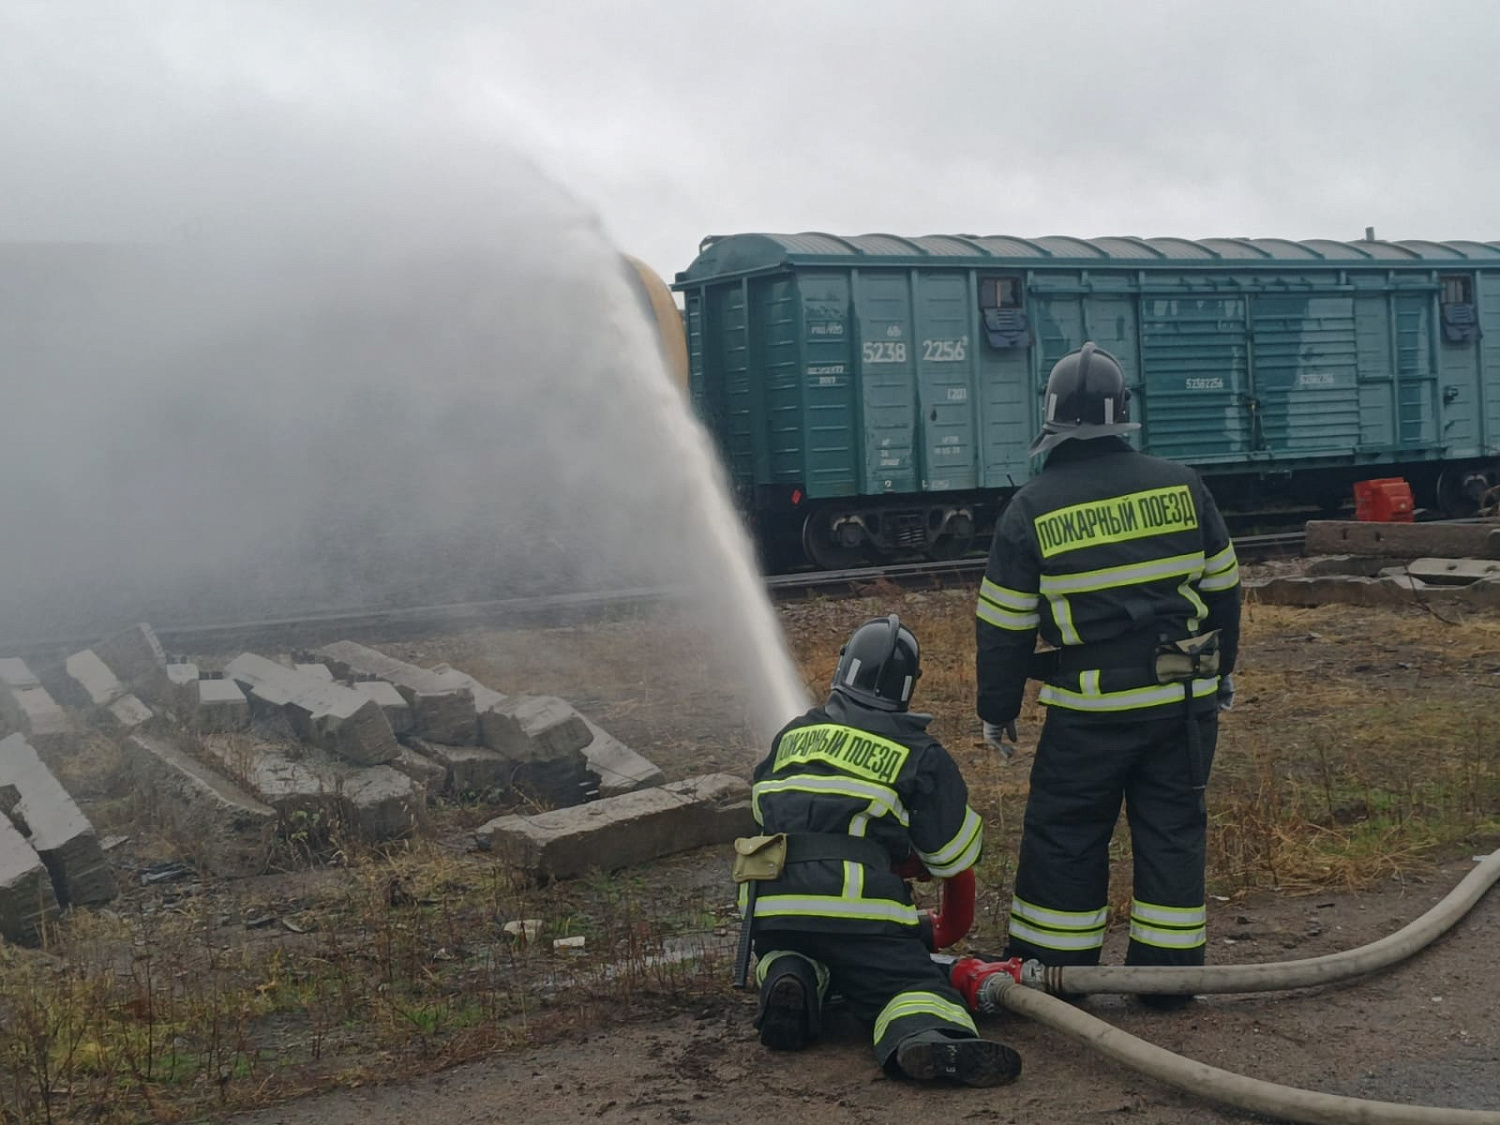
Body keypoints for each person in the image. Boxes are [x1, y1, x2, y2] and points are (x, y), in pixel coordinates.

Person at [974, 342, 1242, 1005]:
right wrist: (1219, 670)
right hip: (1184, 692)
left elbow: (1005, 623)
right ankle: (1169, 977)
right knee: (1174, 829)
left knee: (1066, 834)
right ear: (1123, 414)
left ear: (1052, 419)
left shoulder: (1031, 508)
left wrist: (998, 706)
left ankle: (1054, 974)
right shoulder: (1185, 486)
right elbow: (1225, 591)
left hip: (1092, 707)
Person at [739, 614, 1021, 1086]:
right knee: (905, 983)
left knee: (796, 949)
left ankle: (792, 976)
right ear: (907, 688)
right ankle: (926, 1036)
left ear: (843, 668)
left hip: (770, 907)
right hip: (855, 913)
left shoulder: (789, 735)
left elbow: (765, 812)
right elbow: (952, 859)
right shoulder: (917, 751)